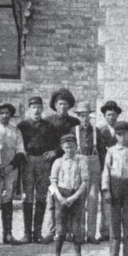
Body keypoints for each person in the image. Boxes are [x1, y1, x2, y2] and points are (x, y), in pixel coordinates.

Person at [17, 96, 59, 244]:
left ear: (42, 108)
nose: (36, 110)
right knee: (28, 197)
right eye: (33, 107)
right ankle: (27, 233)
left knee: (41, 197)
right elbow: (18, 143)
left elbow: (58, 143)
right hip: (28, 162)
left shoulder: (49, 126)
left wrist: (54, 152)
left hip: (43, 162)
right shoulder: (23, 125)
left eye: (38, 107)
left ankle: (38, 233)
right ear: (29, 109)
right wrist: (23, 154)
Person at [101, 120, 128, 256]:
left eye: (124, 134)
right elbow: (106, 171)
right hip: (114, 186)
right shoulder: (111, 151)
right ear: (116, 136)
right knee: (114, 222)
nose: (122, 137)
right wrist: (106, 191)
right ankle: (113, 255)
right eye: (118, 135)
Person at [0, 102, 26, 245]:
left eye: (7, 113)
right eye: (1, 113)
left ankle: (7, 234)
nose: (4, 115)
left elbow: (20, 152)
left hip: (10, 170)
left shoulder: (15, 131)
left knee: (7, 199)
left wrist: (9, 167)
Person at [43, 88, 80, 242]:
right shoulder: (48, 121)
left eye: (65, 104)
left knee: (70, 196)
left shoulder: (74, 122)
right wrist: (50, 152)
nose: (63, 107)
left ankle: (70, 232)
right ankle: (51, 231)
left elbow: (73, 142)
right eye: (60, 104)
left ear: (69, 105)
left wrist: (57, 150)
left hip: (70, 164)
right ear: (55, 105)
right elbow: (44, 142)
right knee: (52, 199)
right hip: (53, 165)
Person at [49, 133, 90, 256]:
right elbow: (53, 182)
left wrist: (74, 196)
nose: (69, 150)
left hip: (76, 196)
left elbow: (84, 182)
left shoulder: (81, 161)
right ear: (62, 147)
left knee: (76, 226)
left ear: (76, 147)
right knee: (60, 227)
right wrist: (60, 197)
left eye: (72, 147)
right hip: (60, 195)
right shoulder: (58, 162)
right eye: (66, 148)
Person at [73, 101, 104, 244]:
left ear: (90, 116)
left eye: (87, 116)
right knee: (79, 203)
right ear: (78, 116)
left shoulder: (97, 131)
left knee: (92, 202)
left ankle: (91, 234)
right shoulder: (73, 131)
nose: (84, 119)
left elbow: (102, 154)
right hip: (79, 170)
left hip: (94, 169)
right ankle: (79, 234)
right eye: (82, 116)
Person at [97, 101, 123, 242]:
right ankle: (105, 231)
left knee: (118, 201)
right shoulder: (100, 131)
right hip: (104, 170)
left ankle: (116, 231)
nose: (111, 118)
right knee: (105, 201)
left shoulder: (122, 131)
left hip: (119, 171)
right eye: (108, 115)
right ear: (104, 116)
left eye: (113, 115)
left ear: (117, 115)